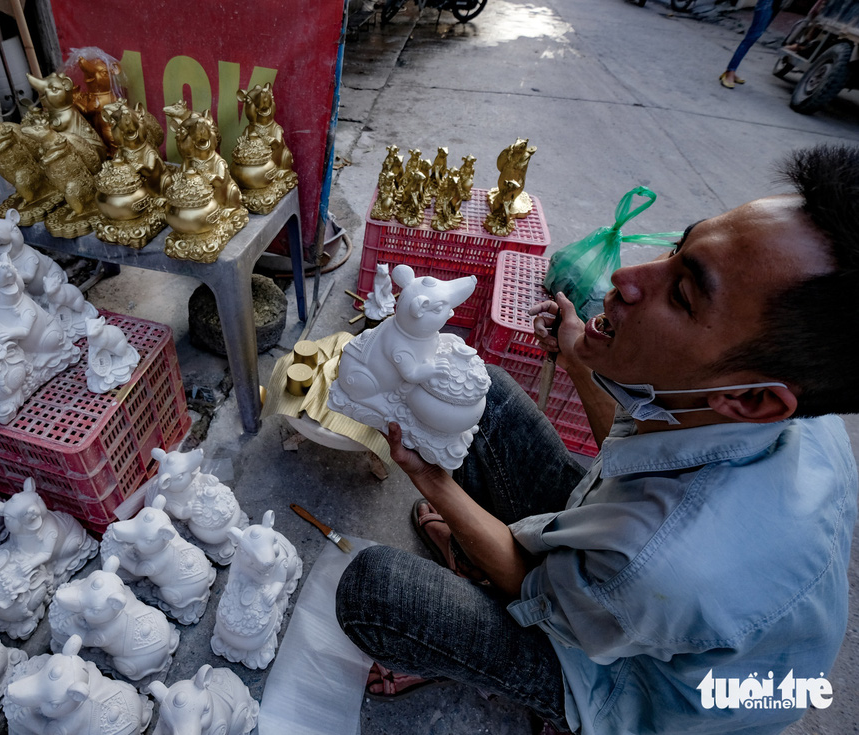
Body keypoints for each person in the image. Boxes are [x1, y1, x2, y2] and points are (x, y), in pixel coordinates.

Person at [335, 144, 859, 734]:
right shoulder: (775, 410)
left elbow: (538, 583)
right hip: (651, 599)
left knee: (377, 596)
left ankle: (507, 666)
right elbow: (631, 450)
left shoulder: (661, 566)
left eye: (682, 294)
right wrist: (581, 355)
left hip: (651, 687)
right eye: (678, 248)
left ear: (754, 399)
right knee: (490, 395)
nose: (627, 278)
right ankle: (478, 556)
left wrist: (433, 480)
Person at [720, 0, 784, 88]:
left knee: (754, 36)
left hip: (777, 4)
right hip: (767, 2)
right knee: (752, 37)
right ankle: (730, 71)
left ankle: (731, 71)